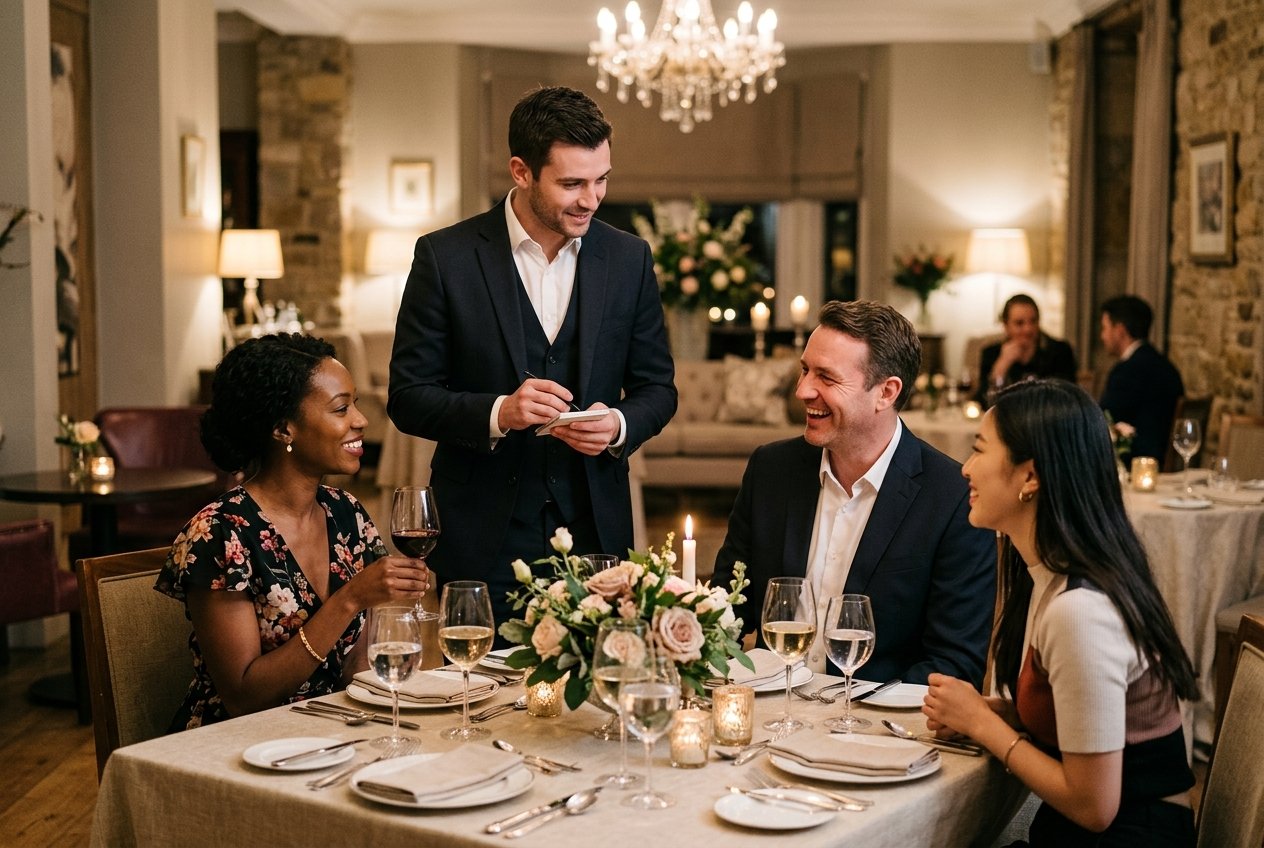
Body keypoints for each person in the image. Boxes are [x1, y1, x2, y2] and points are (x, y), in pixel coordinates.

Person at [388, 86, 676, 636]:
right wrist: (499, 412)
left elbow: (658, 389)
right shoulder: (445, 258)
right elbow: (407, 396)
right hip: (482, 539)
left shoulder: (628, 258)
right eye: (572, 184)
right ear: (521, 171)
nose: (591, 199)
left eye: (601, 180)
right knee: (480, 700)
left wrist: (617, 424)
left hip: (596, 538)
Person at [924, 379, 1197, 845]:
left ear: (1030, 477)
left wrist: (983, 724)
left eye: (979, 451)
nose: (966, 468)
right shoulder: (1048, 577)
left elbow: (1095, 807)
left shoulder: (1081, 612)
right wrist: (999, 713)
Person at [712, 300, 996, 687]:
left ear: (886, 392)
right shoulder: (771, 470)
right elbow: (728, 607)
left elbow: (954, 661)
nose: (803, 390)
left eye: (826, 378)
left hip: (877, 729)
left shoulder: (950, 498)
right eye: (804, 370)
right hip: (771, 712)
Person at [156, 334, 432, 730]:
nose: (361, 420)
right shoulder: (219, 533)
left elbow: (358, 670)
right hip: (235, 746)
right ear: (284, 429)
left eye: (354, 403)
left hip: (334, 733)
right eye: (341, 408)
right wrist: (350, 599)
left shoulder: (347, 514)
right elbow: (243, 697)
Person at [1098, 295, 1184, 462]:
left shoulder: (1128, 371)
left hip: (1137, 461)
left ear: (1120, 330)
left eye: (1105, 328)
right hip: (1161, 459)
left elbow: (1103, 421)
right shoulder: (1166, 366)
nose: (1102, 336)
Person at [976, 294, 1077, 405]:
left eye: (1033, 321)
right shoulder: (991, 353)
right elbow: (983, 402)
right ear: (1006, 326)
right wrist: (1001, 367)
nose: (1028, 329)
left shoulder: (1060, 351)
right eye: (1019, 323)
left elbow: (1068, 397)